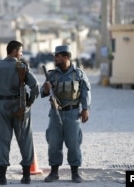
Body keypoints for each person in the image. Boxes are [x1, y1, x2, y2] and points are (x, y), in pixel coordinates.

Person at [0, 40, 39, 185]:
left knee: (3, 140)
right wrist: (30, 102)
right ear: (15, 51)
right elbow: (35, 86)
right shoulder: (22, 66)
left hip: (2, 105)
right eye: (21, 51)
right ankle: (26, 176)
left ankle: (2, 176)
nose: (22, 54)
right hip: (20, 105)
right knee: (25, 139)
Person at [40, 45, 91, 183]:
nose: (55, 58)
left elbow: (86, 91)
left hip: (73, 113)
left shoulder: (78, 74)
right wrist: (46, 89)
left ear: (66, 57)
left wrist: (85, 108)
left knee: (74, 143)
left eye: (57, 56)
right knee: (54, 143)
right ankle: (54, 172)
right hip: (55, 114)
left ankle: (75, 173)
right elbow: (42, 93)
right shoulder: (51, 74)